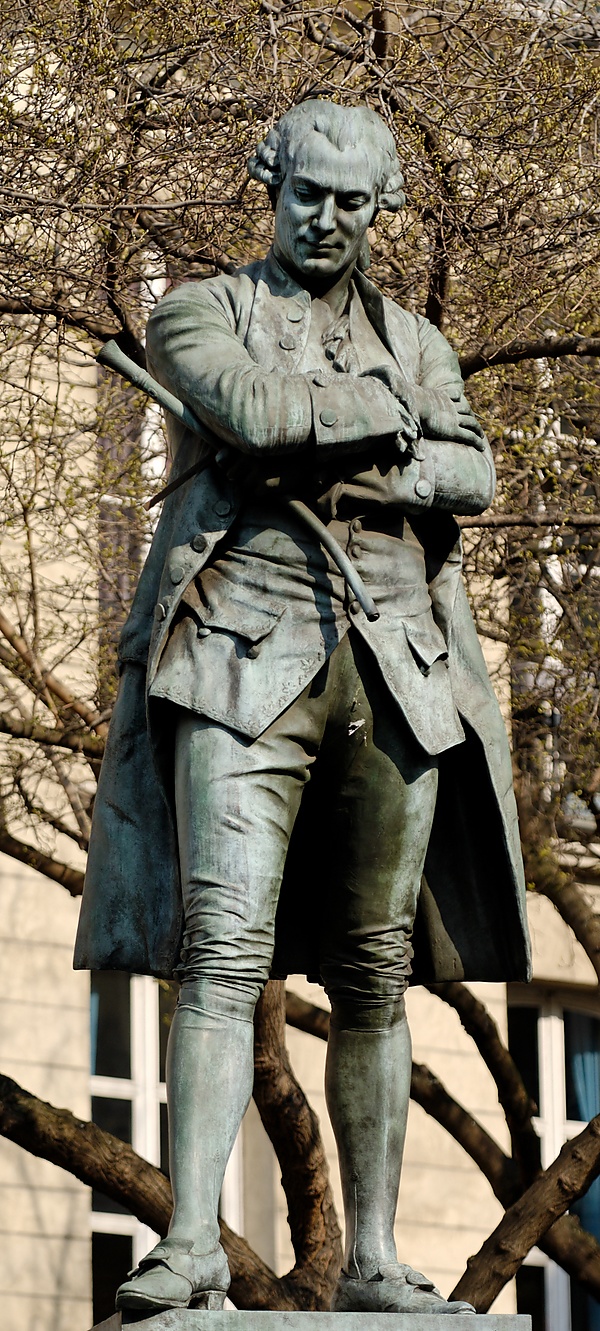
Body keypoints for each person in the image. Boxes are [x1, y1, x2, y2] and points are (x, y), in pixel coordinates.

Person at [74, 100, 531, 1315]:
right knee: (220, 949)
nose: (325, 219)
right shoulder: (201, 310)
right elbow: (250, 410)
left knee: (377, 968)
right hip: (237, 657)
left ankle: (372, 1255)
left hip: (397, 669)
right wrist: (378, 427)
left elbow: (473, 471)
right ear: (271, 186)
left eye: (351, 201)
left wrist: (334, 449)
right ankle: (190, 1241)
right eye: (306, 194)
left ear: (383, 208)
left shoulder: (420, 340)